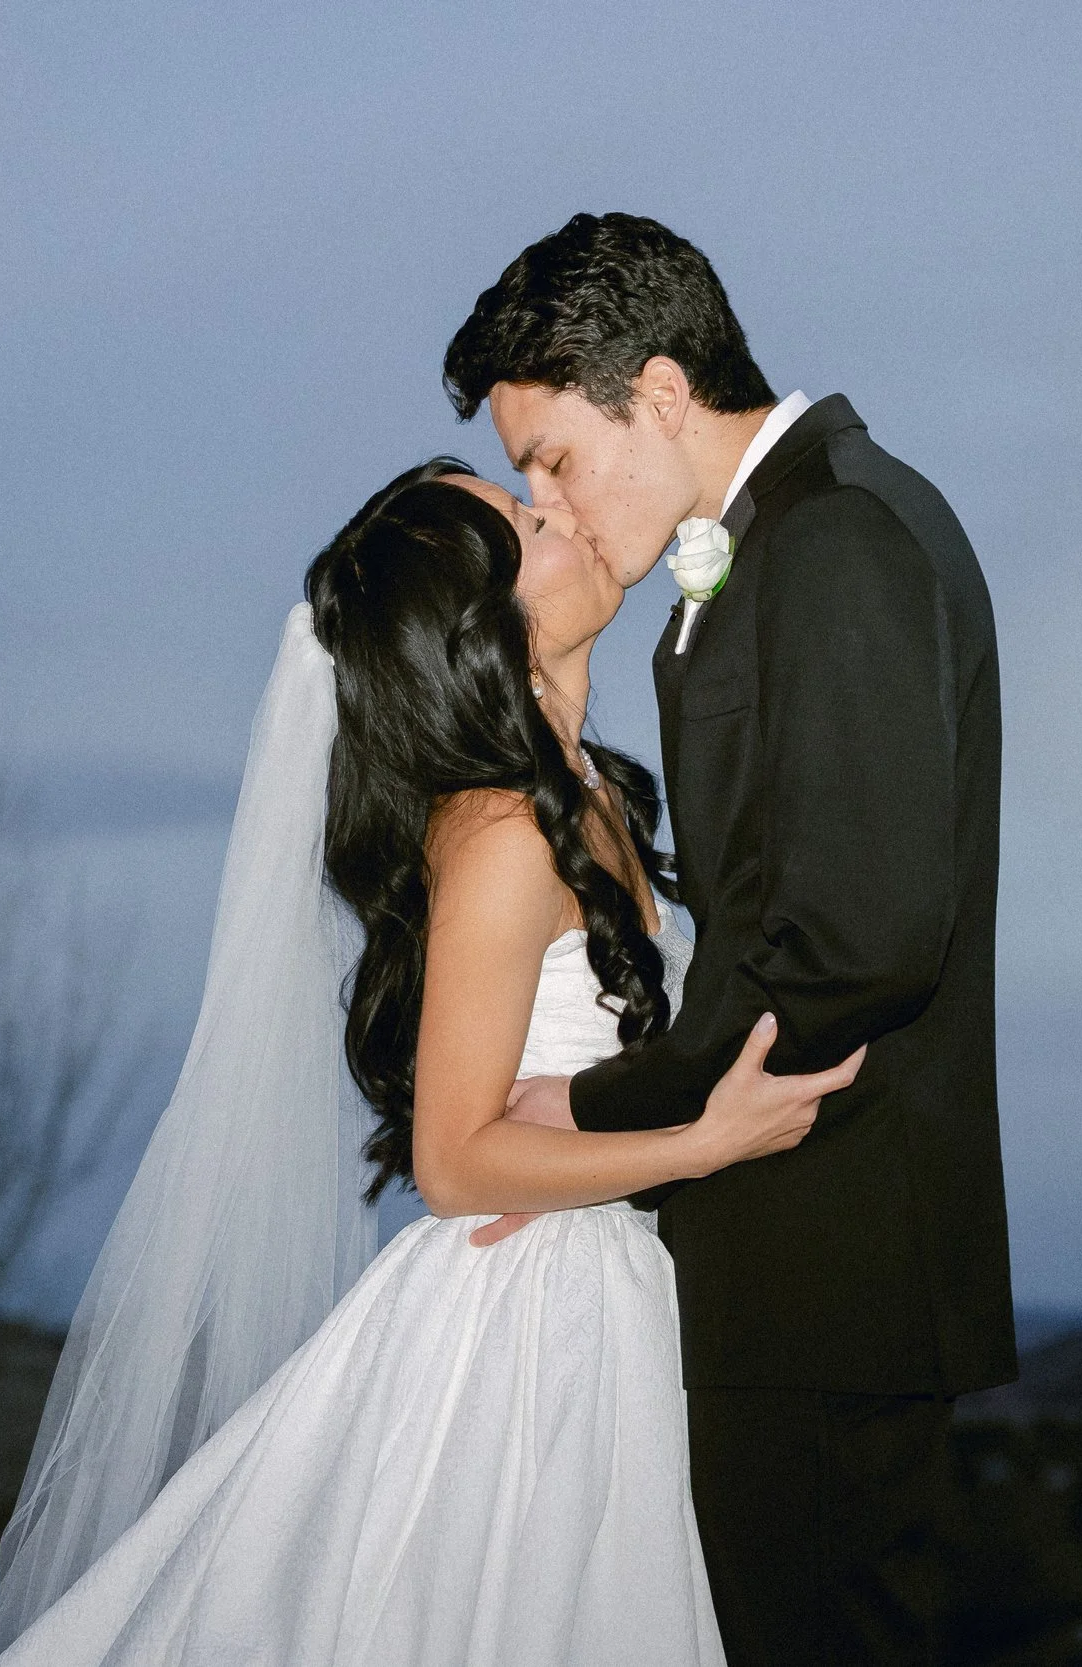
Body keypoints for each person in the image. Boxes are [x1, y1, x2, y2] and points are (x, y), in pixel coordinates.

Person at [0, 459, 862, 1666]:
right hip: (533, 1324)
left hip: (613, 1285)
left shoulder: (589, 794)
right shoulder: (498, 831)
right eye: (528, 523)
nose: (566, 514)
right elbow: (452, 1157)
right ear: (483, 630)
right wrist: (710, 1141)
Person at [444, 212, 1019, 1664]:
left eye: (555, 459)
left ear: (654, 392)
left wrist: (586, 1104)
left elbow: (862, 941)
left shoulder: (835, 541)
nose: (551, 504)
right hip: (794, 1263)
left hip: (830, 1261)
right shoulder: (771, 549)